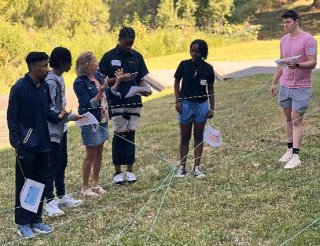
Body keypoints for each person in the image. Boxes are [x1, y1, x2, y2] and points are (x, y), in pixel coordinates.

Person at [7, 52, 69, 238]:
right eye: (44, 65)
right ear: (34, 67)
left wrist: (58, 116)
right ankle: (23, 223)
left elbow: (47, 111)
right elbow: (12, 118)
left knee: (39, 183)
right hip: (26, 147)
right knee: (24, 184)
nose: (47, 69)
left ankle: (36, 219)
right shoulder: (19, 87)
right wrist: (18, 143)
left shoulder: (43, 87)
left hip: (44, 144)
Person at [99, 27, 151, 185]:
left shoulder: (137, 56)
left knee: (131, 135)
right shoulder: (109, 57)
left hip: (134, 102)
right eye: (126, 43)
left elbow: (142, 78)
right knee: (119, 136)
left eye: (131, 43)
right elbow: (103, 81)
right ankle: (117, 172)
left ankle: (130, 170)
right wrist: (119, 80)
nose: (129, 46)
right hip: (117, 102)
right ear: (119, 39)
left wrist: (144, 89)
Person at [270, 10, 317, 169]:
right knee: (288, 118)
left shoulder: (308, 39)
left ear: (296, 21)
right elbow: (281, 63)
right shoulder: (283, 40)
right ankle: (289, 150)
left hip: (301, 87)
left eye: (288, 22)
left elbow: (313, 63)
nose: (285, 25)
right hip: (285, 85)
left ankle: (296, 156)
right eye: (283, 22)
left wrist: (298, 65)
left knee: (296, 119)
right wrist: (274, 82)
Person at [44, 47, 83, 217]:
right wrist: (63, 116)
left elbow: (61, 109)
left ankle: (61, 196)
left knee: (62, 163)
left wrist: (73, 117)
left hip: (62, 128)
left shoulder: (60, 78)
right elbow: (49, 109)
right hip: (52, 131)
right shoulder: (51, 81)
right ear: (61, 62)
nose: (71, 64)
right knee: (51, 166)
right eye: (68, 61)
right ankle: (49, 201)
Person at [174, 39, 215, 178]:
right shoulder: (184, 65)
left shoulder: (208, 68)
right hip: (186, 104)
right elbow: (176, 81)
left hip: (202, 105)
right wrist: (178, 100)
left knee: (198, 137)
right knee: (185, 137)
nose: (194, 53)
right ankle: (182, 167)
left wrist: (212, 108)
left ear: (203, 52)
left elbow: (211, 89)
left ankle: (197, 167)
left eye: (197, 51)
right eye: (192, 50)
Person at [73, 51, 110, 197]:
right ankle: (85, 187)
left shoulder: (99, 76)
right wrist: (100, 92)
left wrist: (118, 81)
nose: (97, 61)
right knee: (90, 153)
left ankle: (95, 183)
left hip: (103, 118)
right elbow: (88, 104)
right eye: (94, 60)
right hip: (90, 120)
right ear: (87, 65)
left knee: (100, 149)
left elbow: (109, 93)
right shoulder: (79, 82)